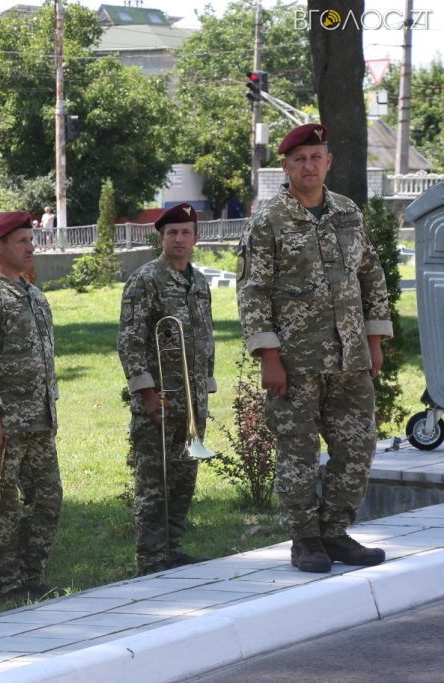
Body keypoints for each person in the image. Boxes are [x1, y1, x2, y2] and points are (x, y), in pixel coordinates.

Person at [236, 123, 393, 573]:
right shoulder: (269, 220)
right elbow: (252, 292)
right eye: (300, 159)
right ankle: (305, 540)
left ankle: (335, 533)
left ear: (329, 162)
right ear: (285, 167)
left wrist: (374, 341)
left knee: (357, 446)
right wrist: (268, 356)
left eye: (316, 157)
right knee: (299, 453)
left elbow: (371, 276)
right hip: (295, 362)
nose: (309, 166)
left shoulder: (347, 212)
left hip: (350, 357)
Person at [0, 211, 64, 602]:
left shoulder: (33, 294)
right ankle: (5, 584)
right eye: (22, 241)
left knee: (47, 499)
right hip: (3, 423)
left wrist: (50, 409)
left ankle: (32, 576)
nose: (30, 246)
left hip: (38, 419)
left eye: (30, 239)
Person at [117, 203, 216, 575]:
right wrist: (146, 393)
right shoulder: (146, 279)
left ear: (196, 238)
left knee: (183, 478)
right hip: (159, 399)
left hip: (193, 399)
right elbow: (129, 341)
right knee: (154, 480)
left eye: (186, 232)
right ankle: (151, 557)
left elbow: (205, 337)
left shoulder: (199, 282)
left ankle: (173, 549)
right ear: (161, 237)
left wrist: (207, 385)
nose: (179, 239)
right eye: (172, 232)